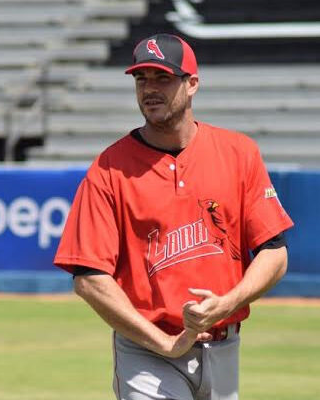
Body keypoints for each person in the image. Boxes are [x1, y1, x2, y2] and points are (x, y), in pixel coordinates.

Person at [54, 33, 293, 400]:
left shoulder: (238, 153)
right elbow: (88, 277)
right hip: (147, 352)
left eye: (162, 78)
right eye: (141, 79)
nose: (149, 89)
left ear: (192, 84)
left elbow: (274, 252)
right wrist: (163, 342)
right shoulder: (109, 168)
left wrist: (227, 303)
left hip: (225, 347)